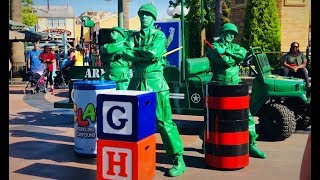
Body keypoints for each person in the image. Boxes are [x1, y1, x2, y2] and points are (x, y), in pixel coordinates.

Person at [122, 3, 186, 177]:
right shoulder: (134, 36)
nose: (144, 18)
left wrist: (136, 54)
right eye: (142, 14)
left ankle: (178, 159)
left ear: (153, 18)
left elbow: (153, 53)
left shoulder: (159, 35)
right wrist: (142, 53)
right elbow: (124, 53)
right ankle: (135, 157)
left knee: (164, 123)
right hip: (135, 84)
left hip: (155, 84)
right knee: (132, 124)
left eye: (147, 15)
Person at [204, 22, 267, 159]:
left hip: (235, 86)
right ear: (222, 33)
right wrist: (230, 56)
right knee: (212, 117)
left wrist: (226, 52)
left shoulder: (234, 47)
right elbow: (224, 61)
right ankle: (206, 141)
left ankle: (251, 143)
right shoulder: (214, 47)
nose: (230, 36)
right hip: (219, 86)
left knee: (247, 116)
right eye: (228, 33)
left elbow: (241, 55)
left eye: (232, 34)